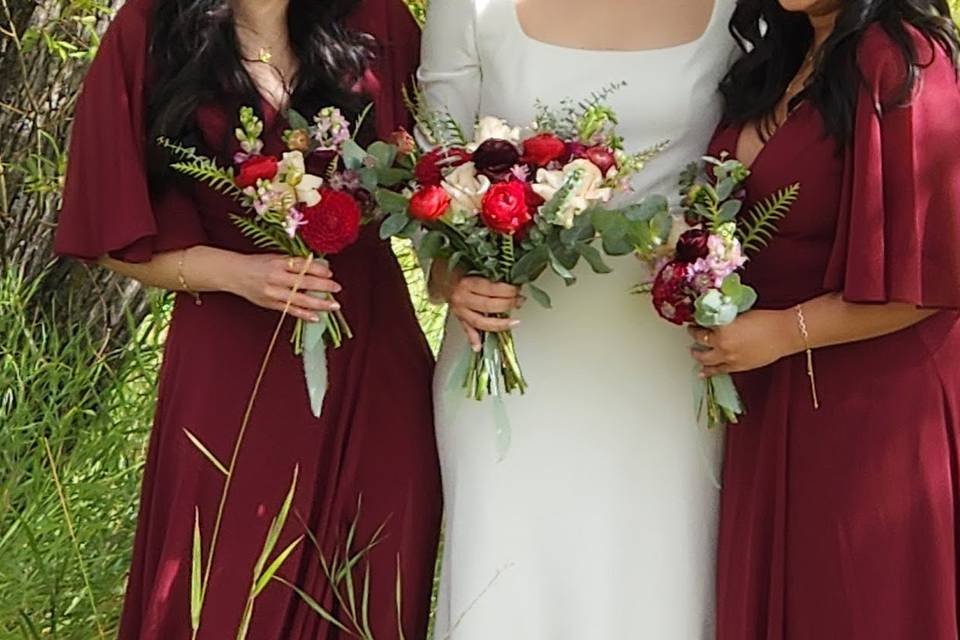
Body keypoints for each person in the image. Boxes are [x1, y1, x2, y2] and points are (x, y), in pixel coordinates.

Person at [53, 0, 441, 637]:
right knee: (227, 585)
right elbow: (105, 231)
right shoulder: (146, 31)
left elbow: (436, 179)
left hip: (371, 350)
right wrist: (236, 274)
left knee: (375, 586)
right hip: (232, 365)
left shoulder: (380, 20)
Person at [418, 0, 738, 636]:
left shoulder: (745, 10)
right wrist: (453, 277)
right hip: (510, 349)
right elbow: (435, 169)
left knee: (657, 575)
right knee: (509, 574)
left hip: (665, 350)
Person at [699, 0, 960, 637]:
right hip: (768, 390)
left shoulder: (900, 57)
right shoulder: (777, 53)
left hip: (871, 410)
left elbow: (937, 272)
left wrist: (788, 331)